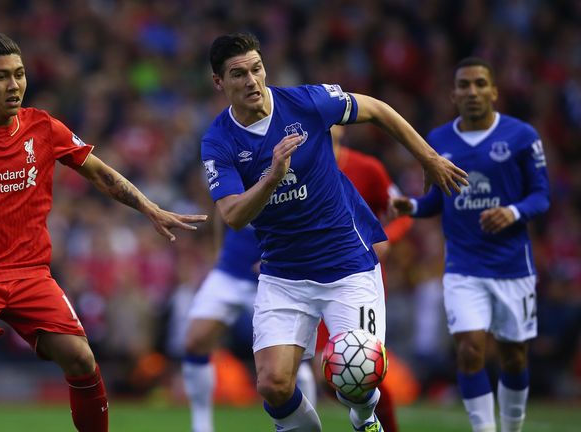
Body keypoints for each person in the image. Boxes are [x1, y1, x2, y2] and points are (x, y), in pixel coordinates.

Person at [0, 32, 207, 432]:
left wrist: (148, 208)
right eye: (1, 77)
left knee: (82, 358)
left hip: (29, 274)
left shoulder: (44, 128)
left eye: (19, 74)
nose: (14, 85)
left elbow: (99, 172)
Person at [201, 32, 467, 432]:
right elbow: (234, 214)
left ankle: (365, 418)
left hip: (347, 265)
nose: (252, 81)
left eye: (257, 69)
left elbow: (376, 109)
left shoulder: (306, 102)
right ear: (219, 82)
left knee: (357, 376)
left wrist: (428, 158)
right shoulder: (218, 141)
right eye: (238, 74)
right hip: (284, 274)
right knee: (273, 385)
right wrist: (272, 177)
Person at [392, 57, 550, 432]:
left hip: (512, 266)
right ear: (453, 94)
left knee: (513, 357)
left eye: (480, 84)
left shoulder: (522, 136)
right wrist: (410, 206)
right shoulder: (439, 141)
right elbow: (436, 201)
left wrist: (512, 212)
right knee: (469, 350)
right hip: (463, 266)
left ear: (494, 91)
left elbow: (541, 196)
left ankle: (512, 427)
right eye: (464, 85)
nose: (472, 91)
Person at [313, 124, 416, 432]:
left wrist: (386, 239)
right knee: (329, 374)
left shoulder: (367, 168)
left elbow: (402, 212)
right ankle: (367, 422)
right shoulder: (302, 168)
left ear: (342, 129)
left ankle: (382, 426)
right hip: (314, 278)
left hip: (358, 277)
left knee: (362, 367)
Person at [182, 220, 317, 432]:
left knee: (292, 365)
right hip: (231, 269)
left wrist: (277, 257)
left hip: (277, 276)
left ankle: (303, 425)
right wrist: (219, 250)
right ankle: (201, 426)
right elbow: (223, 208)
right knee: (195, 340)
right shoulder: (235, 184)